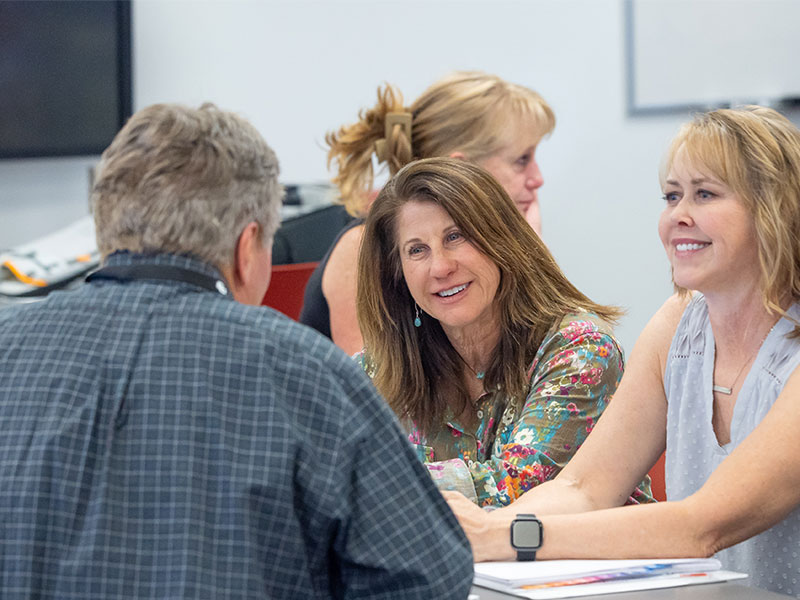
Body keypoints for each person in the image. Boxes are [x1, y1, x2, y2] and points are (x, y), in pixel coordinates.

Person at [0, 103, 473, 599]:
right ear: (248, 249)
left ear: (105, 232)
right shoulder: (305, 372)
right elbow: (427, 578)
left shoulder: (9, 348)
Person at [445, 106, 800, 597]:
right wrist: (480, 535)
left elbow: (701, 527)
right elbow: (585, 489)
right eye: (672, 195)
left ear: (775, 210)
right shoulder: (678, 324)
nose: (679, 215)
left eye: (705, 194)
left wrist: (498, 534)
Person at [356, 157, 653, 508]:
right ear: (398, 273)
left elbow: (516, 485)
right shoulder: (378, 370)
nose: (440, 267)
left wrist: (366, 484)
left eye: (455, 237)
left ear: (501, 240)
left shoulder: (580, 350)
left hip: (598, 559)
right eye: (417, 250)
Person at [300, 71, 555, 354]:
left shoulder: (484, 246)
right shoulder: (361, 247)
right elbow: (371, 392)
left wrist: (528, 259)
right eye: (522, 160)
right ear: (462, 168)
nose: (537, 178)